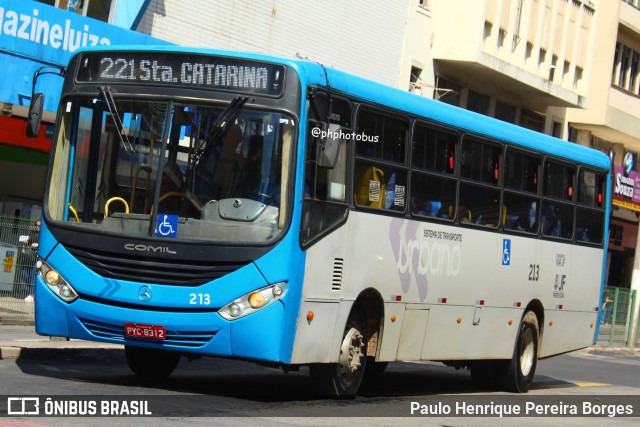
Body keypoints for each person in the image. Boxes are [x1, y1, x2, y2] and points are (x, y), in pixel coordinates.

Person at [19, 220, 40, 302]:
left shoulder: (42, 235)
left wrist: (38, 244)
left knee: (32, 276)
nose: (37, 227)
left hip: (36, 257)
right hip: (28, 257)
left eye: (39, 225)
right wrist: (25, 243)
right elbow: (27, 244)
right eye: (36, 225)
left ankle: (31, 294)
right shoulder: (31, 233)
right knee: (23, 274)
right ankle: (33, 290)